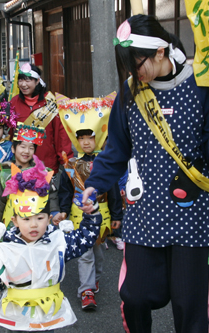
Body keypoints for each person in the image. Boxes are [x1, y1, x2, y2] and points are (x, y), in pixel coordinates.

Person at [81, 15, 209, 332]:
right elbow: (115, 150)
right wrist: (94, 185)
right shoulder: (129, 94)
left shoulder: (204, 86)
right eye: (127, 66)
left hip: (192, 215)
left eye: (137, 64)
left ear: (160, 53)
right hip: (144, 212)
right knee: (135, 296)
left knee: (188, 303)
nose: (132, 73)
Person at [0, 160, 103, 332]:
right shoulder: (5, 247)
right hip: (16, 314)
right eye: (26, 219)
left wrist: (92, 214)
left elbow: (85, 238)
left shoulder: (57, 242)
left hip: (47, 312)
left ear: (48, 219)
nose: (33, 225)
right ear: (14, 221)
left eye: (40, 218)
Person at [52, 93, 123, 310]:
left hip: (101, 212)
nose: (86, 142)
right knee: (84, 253)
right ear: (77, 140)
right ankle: (86, 290)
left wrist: (117, 216)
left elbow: (112, 190)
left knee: (98, 253)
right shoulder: (70, 165)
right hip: (77, 211)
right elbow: (64, 190)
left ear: (97, 139)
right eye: (81, 139)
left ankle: (94, 279)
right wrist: (63, 211)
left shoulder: (104, 163)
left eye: (90, 138)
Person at [10, 63, 74, 214]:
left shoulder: (51, 103)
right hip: (22, 165)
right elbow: (10, 134)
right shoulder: (13, 103)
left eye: (28, 80)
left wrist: (66, 159)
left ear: (37, 81)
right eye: (21, 80)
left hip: (47, 165)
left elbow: (60, 134)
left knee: (48, 206)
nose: (23, 84)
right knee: (25, 206)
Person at [0, 123, 47, 230]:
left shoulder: (40, 173)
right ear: (13, 149)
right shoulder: (5, 174)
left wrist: (54, 212)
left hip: (33, 222)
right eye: (22, 147)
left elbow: (50, 196)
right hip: (9, 221)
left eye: (31, 148)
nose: (26, 151)